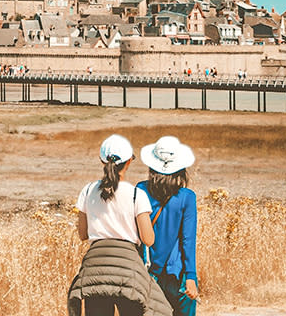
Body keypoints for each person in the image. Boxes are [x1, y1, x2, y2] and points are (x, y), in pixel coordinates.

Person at [68, 135, 171, 316]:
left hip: (95, 268)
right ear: (129, 161)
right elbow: (148, 239)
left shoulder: (87, 190)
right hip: (128, 268)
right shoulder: (136, 194)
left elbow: (83, 234)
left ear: (102, 160)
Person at [138, 137, 199, 316]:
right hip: (177, 272)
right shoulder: (187, 197)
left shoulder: (140, 190)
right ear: (181, 169)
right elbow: (188, 239)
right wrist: (191, 277)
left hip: (147, 271)